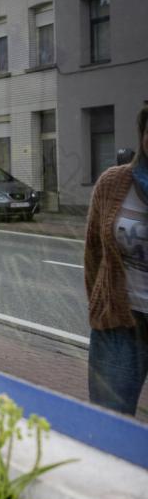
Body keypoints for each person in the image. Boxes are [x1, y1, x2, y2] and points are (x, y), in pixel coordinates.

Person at [86, 103, 148, 415]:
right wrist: (100, 306)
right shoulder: (113, 184)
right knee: (106, 422)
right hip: (120, 322)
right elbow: (93, 253)